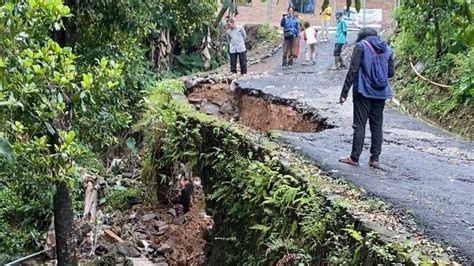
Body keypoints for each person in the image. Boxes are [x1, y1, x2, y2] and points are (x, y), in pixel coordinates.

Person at [338, 27, 395, 167]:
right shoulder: (387, 49)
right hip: (381, 93)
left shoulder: (361, 46)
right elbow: (391, 73)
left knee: (359, 124)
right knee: (377, 126)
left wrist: (344, 93)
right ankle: (374, 159)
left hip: (363, 91)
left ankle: (354, 157)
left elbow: (353, 70)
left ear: (362, 36)